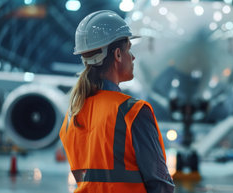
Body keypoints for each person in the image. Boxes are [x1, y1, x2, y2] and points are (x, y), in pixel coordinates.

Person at [59, 10, 174, 193]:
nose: (133, 57)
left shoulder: (73, 114)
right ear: (118, 55)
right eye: (129, 49)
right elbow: (159, 183)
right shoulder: (133, 111)